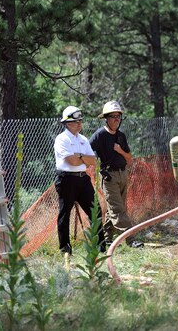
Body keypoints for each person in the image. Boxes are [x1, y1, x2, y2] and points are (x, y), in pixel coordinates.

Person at [89, 101, 143, 249]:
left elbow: (129, 157)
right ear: (106, 118)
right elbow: (87, 150)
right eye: (113, 117)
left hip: (123, 174)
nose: (116, 119)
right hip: (109, 177)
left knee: (116, 208)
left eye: (118, 116)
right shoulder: (99, 135)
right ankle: (130, 239)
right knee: (117, 209)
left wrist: (120, 151)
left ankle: (107, 238)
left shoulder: (121, 136)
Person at [54, 106, 106, 255]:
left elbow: (93, 161)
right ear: (67, 123)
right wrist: (83, 158)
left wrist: (80, 156)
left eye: (80, 121)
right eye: (76, 121)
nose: (79, 124)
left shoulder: (83, 139)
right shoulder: (61, 139)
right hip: (66, 179)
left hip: (83, 179)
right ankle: (65, 249)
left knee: (95, 210)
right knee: (65, 214)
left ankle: (100, 247)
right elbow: (71, 162)